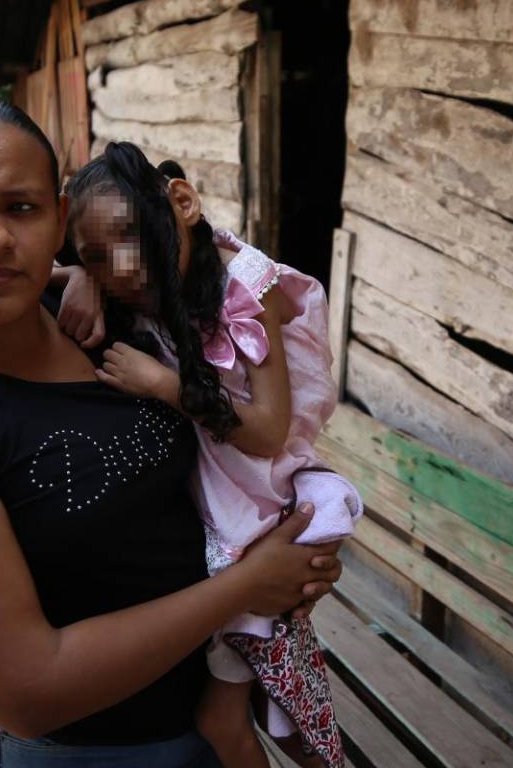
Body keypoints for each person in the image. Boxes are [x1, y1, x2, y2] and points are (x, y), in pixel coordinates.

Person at [0, 95, 343, 767]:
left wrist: (84, 275)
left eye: (21, 207)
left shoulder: (101, 310)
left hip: (210, 718)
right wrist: (250, 588)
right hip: (91, 754)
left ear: (58, 221)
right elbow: (28, 689)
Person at [59, 143, 359, 768]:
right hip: (230, 509)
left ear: (184, 202)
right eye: (96, 256)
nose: (122, 267)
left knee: (249, 722)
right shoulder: (149, 277)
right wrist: (83, 273)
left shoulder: (245, 286)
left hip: (259, 511)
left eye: (128, 236)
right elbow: (79, 264)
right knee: (237, 717)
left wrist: (166, 386)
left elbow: (270, 430)